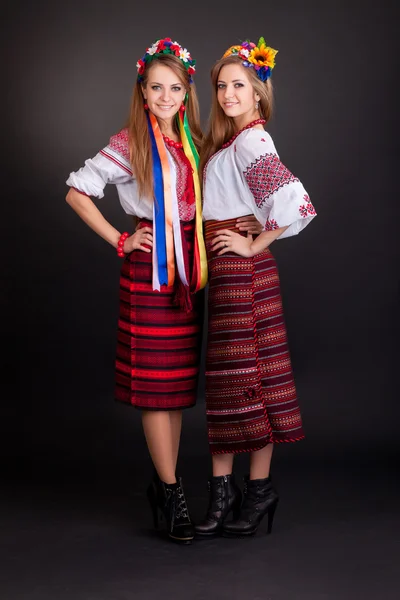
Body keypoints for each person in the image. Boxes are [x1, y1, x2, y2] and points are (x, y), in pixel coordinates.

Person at [65, 38, 209, 545]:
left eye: (175, 88)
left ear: (187, 93)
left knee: (175, 387)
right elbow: (77, 191)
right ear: (142, 93)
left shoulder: (193, 141)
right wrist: (121, 240)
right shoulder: (130, 142)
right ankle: (172, 493)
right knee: (155, 384)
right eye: (156, 88)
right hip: (150, 270)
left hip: (187, 268)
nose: (166, 97)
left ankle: (166, 484)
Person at [195, 37, 317, 538]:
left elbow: (296, 203)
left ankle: (249, 493)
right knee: (242, 383)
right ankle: (241, 493)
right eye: (221, 86)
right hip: (231, 276)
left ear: (259, 93)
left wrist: (254, 242)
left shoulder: (251, 140)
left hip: (244, 274)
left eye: (238, 85)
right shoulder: (231, 142)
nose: (227, 94)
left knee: (244, 384)